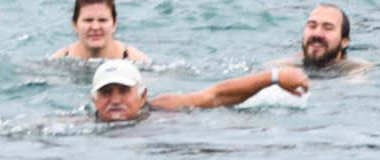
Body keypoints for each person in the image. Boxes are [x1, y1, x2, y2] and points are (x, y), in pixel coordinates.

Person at [90, 58, 309, 122]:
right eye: (106, 92)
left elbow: (216, 95)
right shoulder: (80, 126)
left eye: (123, 90)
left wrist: (274, 76)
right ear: (94, 100)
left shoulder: (164, 108)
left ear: (142, 95)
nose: (115, 99)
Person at [49, 0, 151, 62]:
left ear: (114, 24)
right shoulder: (59, 61)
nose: (95, 27)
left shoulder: (137, 61)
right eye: (88, 20)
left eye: (102, 20)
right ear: (75, 24)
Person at [268, 3, 371, 73]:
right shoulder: (283, 66)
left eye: (328, 28)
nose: (317, 34)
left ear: (344, 42)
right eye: (312, 26)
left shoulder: (355, 70)